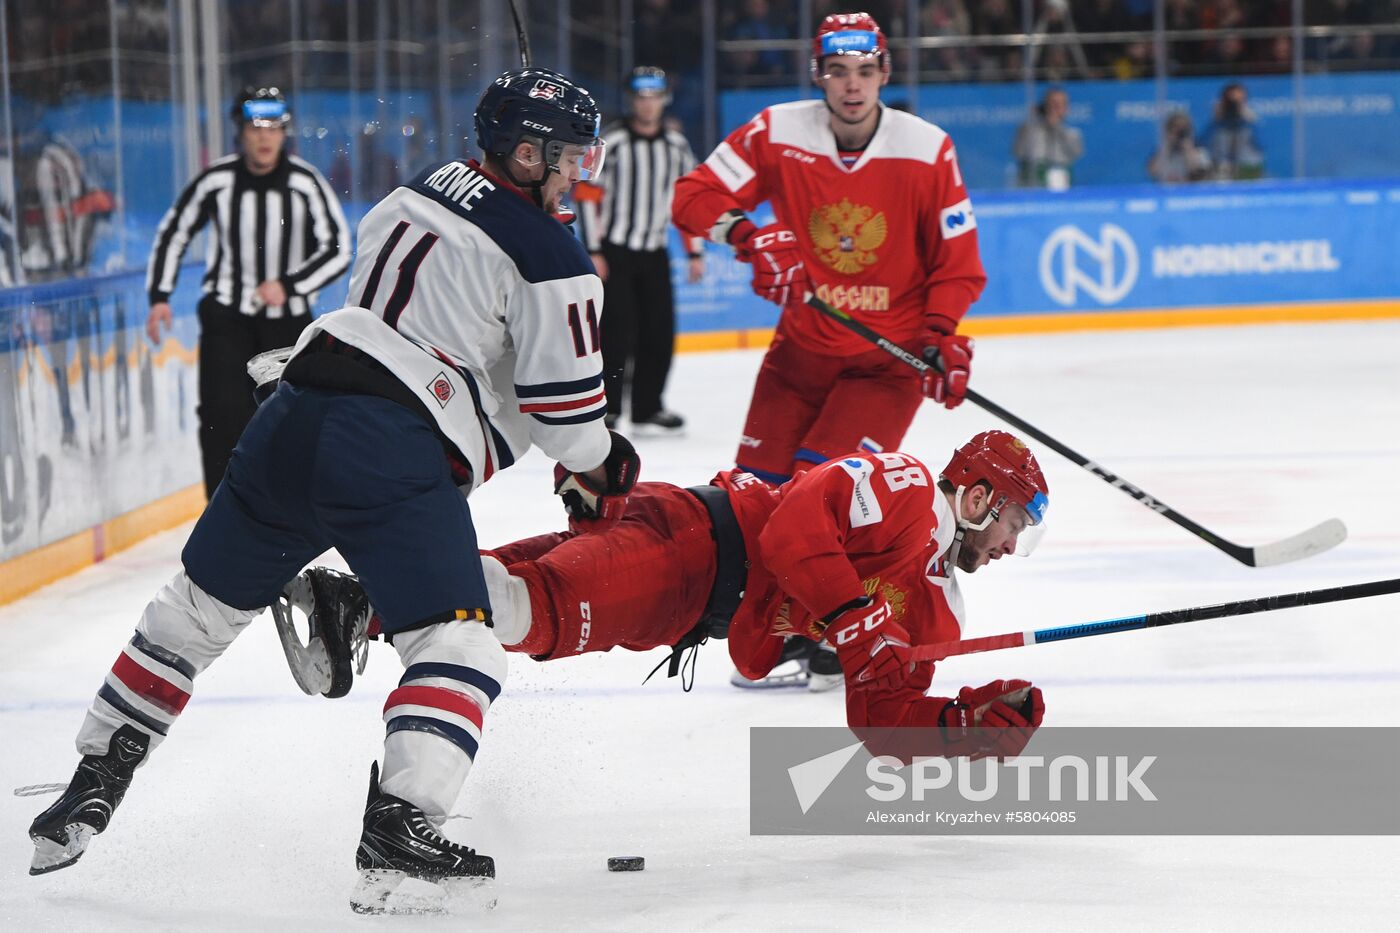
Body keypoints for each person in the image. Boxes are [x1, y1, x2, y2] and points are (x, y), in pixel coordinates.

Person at [28, 68, 635, 915]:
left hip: (291, 413)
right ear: (525, 154)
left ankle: (94, 775)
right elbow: (568, 425)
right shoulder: (553, 256)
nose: (580, 176)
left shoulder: (416, 190)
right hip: (386, 449)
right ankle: (398, 838)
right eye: (567, 159)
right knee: (458, 646)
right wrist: (606, 462)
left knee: (194, 610)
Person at [283, 430, 1049, 764]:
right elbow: (791, 529)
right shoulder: (912, 489)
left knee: (511, 593)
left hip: (691, 596)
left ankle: (356, 603)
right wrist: (853, 620)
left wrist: (957, 724)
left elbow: (879, 720)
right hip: (700, 541)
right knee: (529, 607)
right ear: (978, 495)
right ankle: (344, 586)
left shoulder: (940, 610)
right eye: (1013, 521)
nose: (1012, 544)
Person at [673, 11, 985, 487]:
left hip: (887, 364)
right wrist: (746, 235)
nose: (852, 86)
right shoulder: (777, 132)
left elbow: (958, 263)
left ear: (885, 72)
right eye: (837, 71)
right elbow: (691, 196)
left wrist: (940, 332)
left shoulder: (927, 149)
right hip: (798, 359)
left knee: (816, 498)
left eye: (864, 71)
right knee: (750, 498)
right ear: (818, 73)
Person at [145, 87, 351, 498]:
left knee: (291, 420)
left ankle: (288, 514)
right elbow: (174, 231)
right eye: (255, 128)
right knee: (221, 418)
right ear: (240, 132)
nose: (264, 137)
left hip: (287, 325)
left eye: (273, 128)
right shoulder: (216, 181)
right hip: (227, 321)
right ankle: (221, 515)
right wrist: (159, 297)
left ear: (284, 133)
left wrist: (290, 284)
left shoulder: (304, 182)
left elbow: (338, 248)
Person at [575, 66, 703, 435]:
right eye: (641, 97)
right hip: (616, 251)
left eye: (654, 97)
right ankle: (610, 408)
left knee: (659, 332)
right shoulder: (612, 142)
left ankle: (648, 408)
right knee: (616, 333)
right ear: (632, 100)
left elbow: (686, 199)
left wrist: (694, 251)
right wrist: (594, 249)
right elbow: (586, 195)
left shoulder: (677, 146)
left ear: (665, 100)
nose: (648, 105)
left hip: (655, 250)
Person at [1012, 87, 1084, 190]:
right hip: (1033, 181)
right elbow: (1018, 152)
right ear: (1045, 106)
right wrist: (1032, 123)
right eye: (1053, 104)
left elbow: (1076, 153)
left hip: (1060, 179)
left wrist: (1056, 127)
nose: (1056, 108)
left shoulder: (1072, 133)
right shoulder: (1030, 130)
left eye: (1061, 104)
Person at [1203, 82, 1264, 181]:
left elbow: (1262, 146)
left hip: (1247, 169)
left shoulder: (1249, 122)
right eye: (1231, 101)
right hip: (1221, 170)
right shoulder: (1217, 123)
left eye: (1239, 101)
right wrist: (1215, 120)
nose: (1234, 105)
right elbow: (1202, 144)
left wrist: (1252, 122)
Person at [1147, 111, 1212, 184]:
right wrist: (1167, 145)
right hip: (1166, 193)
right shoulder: (1162, 153)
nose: (1179, 134)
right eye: (1176, 129)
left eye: (1183, 130)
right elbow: (1152, 172)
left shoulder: (1200, 152)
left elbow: (1197, 172)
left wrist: (1188, 148)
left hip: (1189, 193)